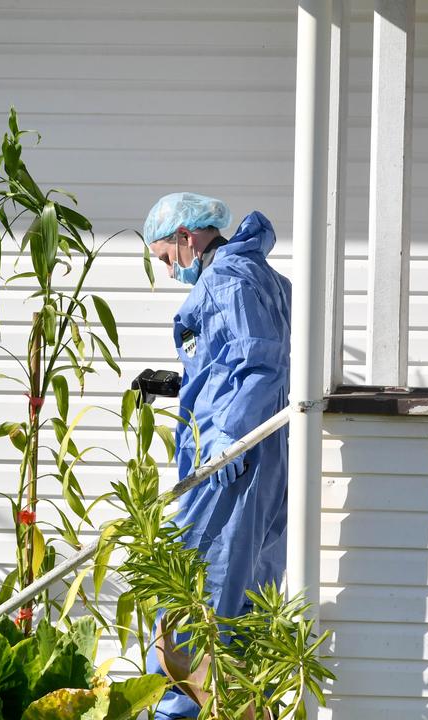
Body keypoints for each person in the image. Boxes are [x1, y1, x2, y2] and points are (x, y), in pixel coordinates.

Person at [140, 192, 291, 719]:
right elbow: (233, 365)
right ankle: (247, 709)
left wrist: (228, 442)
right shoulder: (263, 277)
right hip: (261, 458)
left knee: (195, 588)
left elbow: (260, 363)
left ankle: (179, 711)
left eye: (165, 257)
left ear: (187, 237)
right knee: (250, 591)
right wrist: (182, 382)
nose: (168, 269)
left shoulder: (226, 279)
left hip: (231, 465)